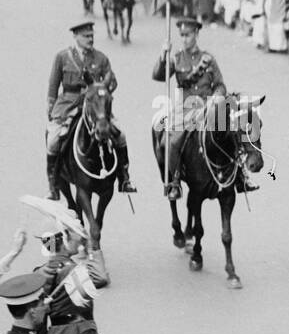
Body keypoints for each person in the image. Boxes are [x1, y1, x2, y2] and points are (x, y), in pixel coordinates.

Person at [152, 14, 243, 200]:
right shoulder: (176, 58)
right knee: (173, 141)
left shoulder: (208, 59)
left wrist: (216, 97)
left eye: (188, 35)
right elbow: (158, 75)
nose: (184, 39)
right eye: (182, 35)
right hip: (185, 110)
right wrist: (163, 55)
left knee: (231, 132)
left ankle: (240, 176)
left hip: (208, 108)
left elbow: (220, 84)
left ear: (196, 34)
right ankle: (175, 182)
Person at [46, 20, 134, 198]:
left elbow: (113, 82)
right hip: (68, 105)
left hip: (95, 107)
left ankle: (124, 178)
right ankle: (53, 184)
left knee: (120, 134)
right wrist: (51, 109)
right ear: (76, 37)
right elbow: (53, 86)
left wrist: (100, 89)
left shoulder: (100, 58)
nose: (90, 39)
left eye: (91, 36)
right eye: (86, 36)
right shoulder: (62, 57)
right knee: (53, 140)